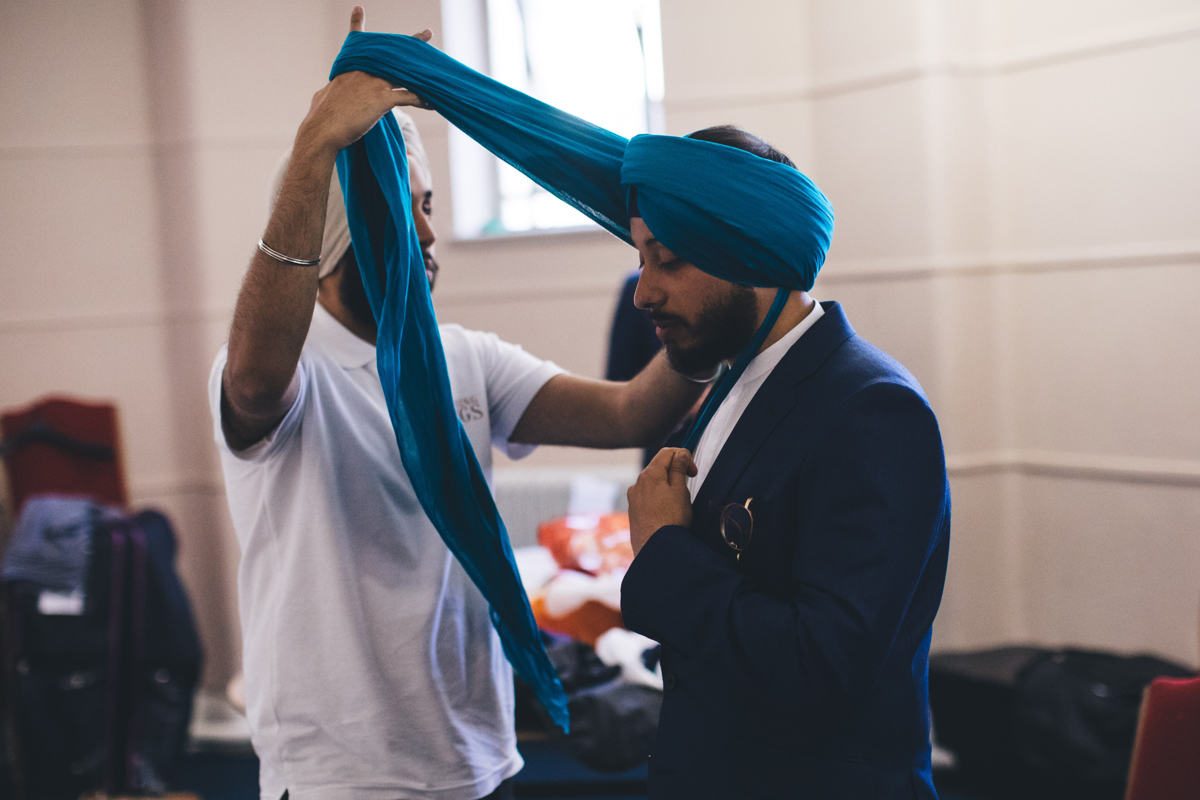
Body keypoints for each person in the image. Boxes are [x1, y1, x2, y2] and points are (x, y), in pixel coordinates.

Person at [207, 11, 706, 800]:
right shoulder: (294, 371)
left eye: (432, 204)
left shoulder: (465, 358)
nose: (430, 234)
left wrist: (710, 315)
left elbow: (630, 415)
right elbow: (255, 384)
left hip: (471, 757)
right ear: (340, 232)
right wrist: (316, 147)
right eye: (405, 208)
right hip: (342, 775)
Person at [621, 128, 950, 798]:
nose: (642, 292)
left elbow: (821, 665)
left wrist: (664, 552)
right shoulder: (738, 384)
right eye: (641, 259)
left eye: (669, 260)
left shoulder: (872, 408)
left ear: (755, 253)